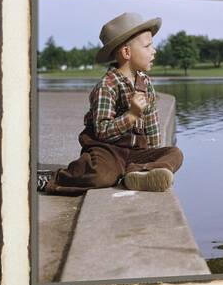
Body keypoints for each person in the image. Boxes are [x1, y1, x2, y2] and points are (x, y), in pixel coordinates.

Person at [41, 12, 183, 195]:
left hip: (135, 153)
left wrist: (154, 156)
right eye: (148, 46)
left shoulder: (146, 84)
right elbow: (101, 131)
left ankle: (140, 173)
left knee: (175, 153)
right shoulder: (106, 87)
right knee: (101, 176)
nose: (154, 51)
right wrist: (131, 116)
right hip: (109, 151)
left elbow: (152, 125)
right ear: (126, 52)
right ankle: (56, 178)